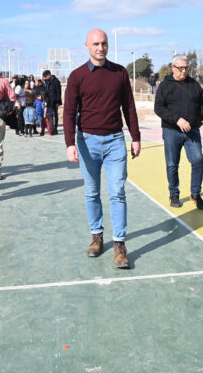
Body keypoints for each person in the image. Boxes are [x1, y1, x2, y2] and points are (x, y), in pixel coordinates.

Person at [64, 28, 141, 269]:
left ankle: (119, 244)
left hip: (115, 141)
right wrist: (69, 143)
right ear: (86, 46)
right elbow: (68, 112)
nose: (101, 47)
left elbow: (129, 107)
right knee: (92, 192)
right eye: (96, 43)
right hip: (87, 142)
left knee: (117, 191)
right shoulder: (77, 76)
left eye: (104, 43)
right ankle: (97, 236)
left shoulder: (119, 73)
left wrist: (135, 137)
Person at [154, 54, 203, 209]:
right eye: (181, 68)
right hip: (171, 131)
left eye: (186, 68)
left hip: (192, 131)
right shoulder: (165, 85)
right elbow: (158, 108)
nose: (184, 71)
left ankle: (195, 194)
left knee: (198, 160)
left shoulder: (194, 84)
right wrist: (177, 119)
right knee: (172, 164)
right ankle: (174, 194)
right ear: (173, 68)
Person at [43, 69, 62, 135]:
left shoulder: (56, 81)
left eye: (45, 76)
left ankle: (55, 129)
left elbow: (59, 92)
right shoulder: (46, 82)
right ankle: (51, 129)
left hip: (54, 101)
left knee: (54, 115)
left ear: (49, 75)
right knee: (50, 115)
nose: (44, 78)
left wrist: (58, 102)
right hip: (49, 101)